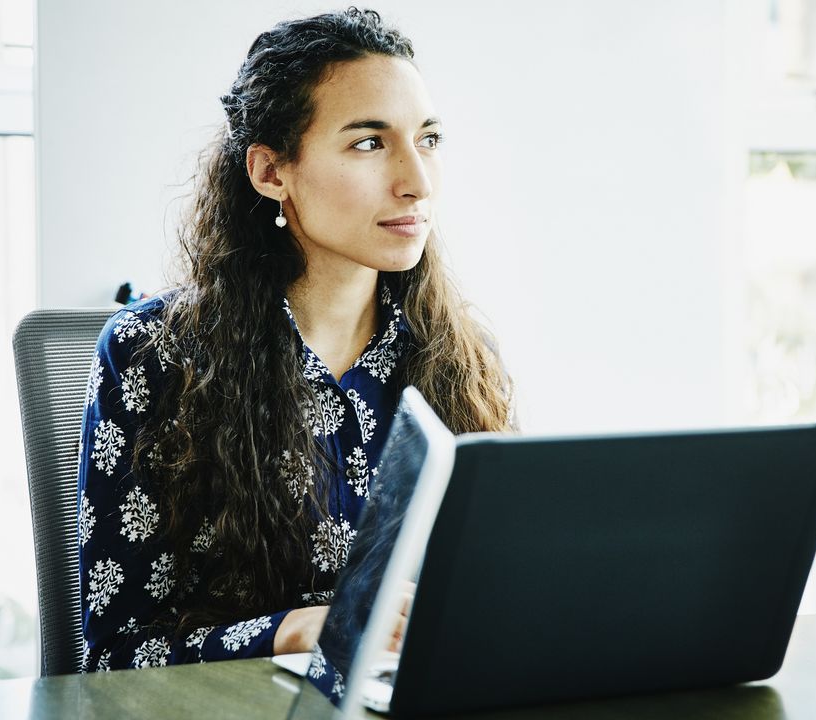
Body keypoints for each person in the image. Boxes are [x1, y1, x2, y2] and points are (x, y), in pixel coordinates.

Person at [76, 8, 514, 674]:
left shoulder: (458, 352)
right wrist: (286, 633)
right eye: (369, 143)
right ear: (270, 172)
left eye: (427, 139)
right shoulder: (153, 353)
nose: (418, 182)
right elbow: (117, 654)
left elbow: (499, 593)